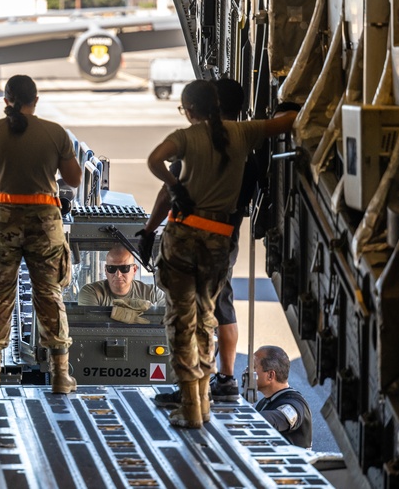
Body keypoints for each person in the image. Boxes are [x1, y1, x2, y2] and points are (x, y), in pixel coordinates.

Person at [140, 79, 296, 428]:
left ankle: (191, 406)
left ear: (191, 109)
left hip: (183, 239)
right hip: (219, 243)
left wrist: (174, 189)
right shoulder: (242, 133)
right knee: (206, 320)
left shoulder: (186, 137)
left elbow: (154, 160)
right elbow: (286, 123)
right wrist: (290, 102)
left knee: (182, 323)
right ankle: (203, 401)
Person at [0, 74, 83, 395]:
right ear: (36, 100)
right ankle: (60, 377)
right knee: (49, 294)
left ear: (6, 100)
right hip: (45, 220)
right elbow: (74, 178)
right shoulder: (55, 132)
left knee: (0, 294)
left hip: (2, 220)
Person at [153, 77, 254, 408]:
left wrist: (150, 228)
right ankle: (224, 379)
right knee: (221, 303)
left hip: (194, 235)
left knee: (189, 316)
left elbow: (166, 190)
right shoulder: (246, 143)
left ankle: (195, 390)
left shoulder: (201, 142)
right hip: (226, 234)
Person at [253, 345, 313, 449]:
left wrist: (247, 417)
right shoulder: (264, 402)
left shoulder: (296, 404)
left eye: (254, 367)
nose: (248, 372)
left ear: (270, 375)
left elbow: (282, 418)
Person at [77, 245, 166, 308]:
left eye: (124, 268)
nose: (118, 274)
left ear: (134, 269)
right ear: (106, 270)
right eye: (111, 268)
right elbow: (92, 323)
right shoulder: (92, 292)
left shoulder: (152, 293)